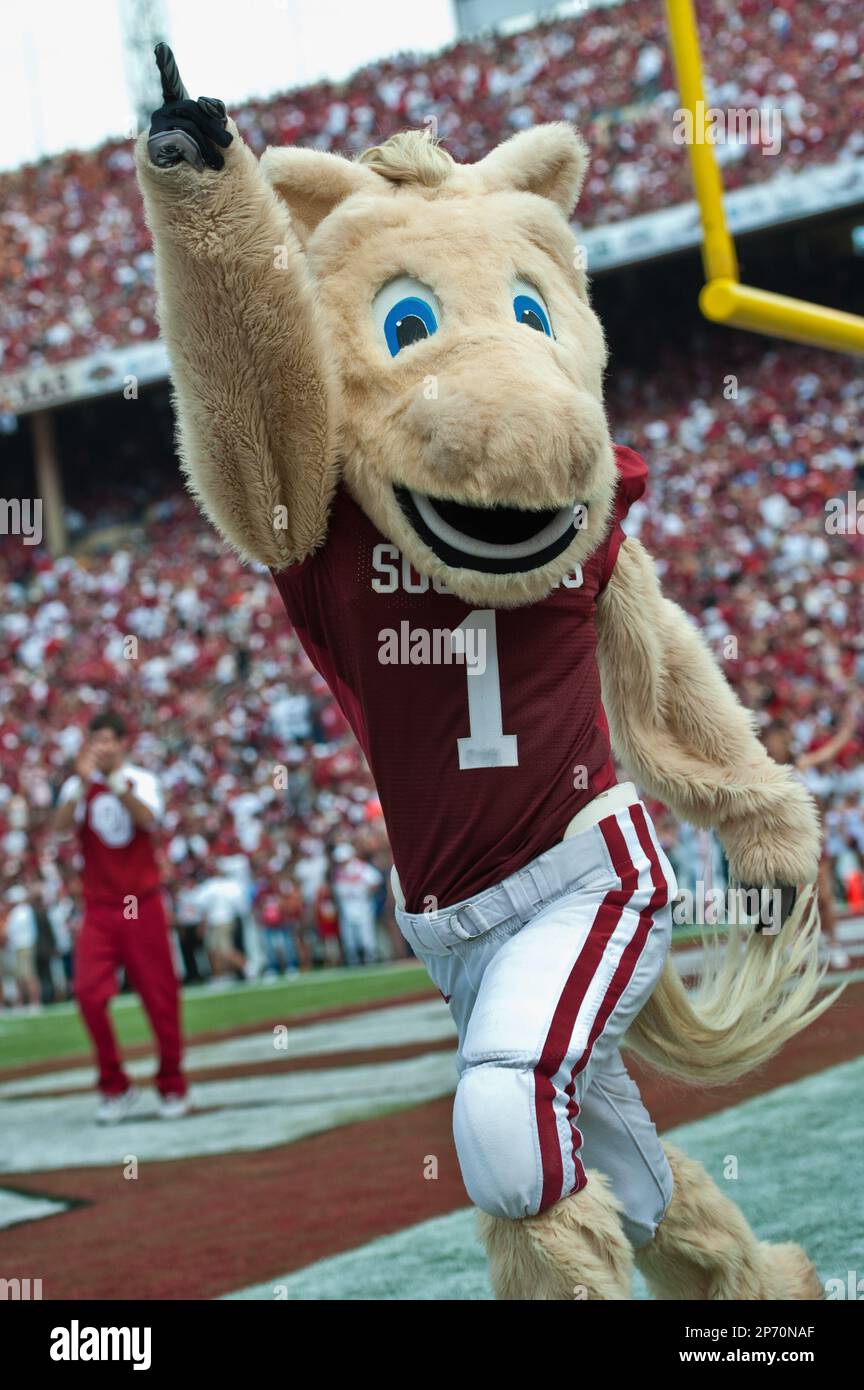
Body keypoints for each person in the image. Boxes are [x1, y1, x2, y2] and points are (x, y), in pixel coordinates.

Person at [54, 711, 189, 1123]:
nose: (102, 748)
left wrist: (114, 783)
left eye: (108, 741)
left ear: (122, 743)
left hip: (142, 902)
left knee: (159, 997)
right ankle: (114, 1084)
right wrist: (80, 786)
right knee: (88, 993)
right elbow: (59, 830)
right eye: (95, 741)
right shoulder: (78, 787)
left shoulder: (141, 779)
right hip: (100, 906)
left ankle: (171, 1083)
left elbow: (149, 820)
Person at [764, 699, 859, 970]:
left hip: (815, 841)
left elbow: (831, 750)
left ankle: (833, 942)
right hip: (787, 844)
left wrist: (847, 727)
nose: (775, 745)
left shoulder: (802, 765)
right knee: (794, 897)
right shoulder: (767, 774)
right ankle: (792, 945)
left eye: (778, 740)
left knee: (825, 895)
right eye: (770, 741)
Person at [331, 844, 383, 966]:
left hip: (362, 905)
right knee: (349, 939)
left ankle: (371, 961)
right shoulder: (338, 872)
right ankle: (353, 962)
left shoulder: (362, 868)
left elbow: (376, 881)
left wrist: (366, 893)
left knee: (366, 938)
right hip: (346, 907)